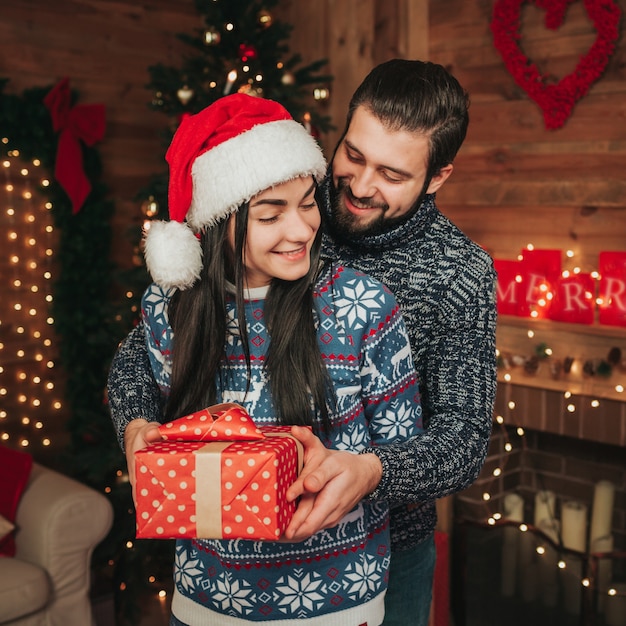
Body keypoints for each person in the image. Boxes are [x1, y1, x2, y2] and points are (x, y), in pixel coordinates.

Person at [108, 59, 498, 625]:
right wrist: (136, 424)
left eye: (392, 175)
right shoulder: (293, 197)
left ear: (437, 176)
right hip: (224, 569)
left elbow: (461, 442)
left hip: (376, 554)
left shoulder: (458, 273)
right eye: (354, 156)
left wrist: (373, 470)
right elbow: (142, 357)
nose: (361, 187)